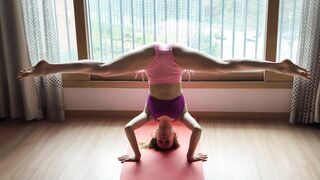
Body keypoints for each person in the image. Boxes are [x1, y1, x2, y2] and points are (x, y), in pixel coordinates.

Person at [17, 42, 311, 163]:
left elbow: (128, 129)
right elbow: (197, 132)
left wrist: (137, 156)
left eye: (162, 140)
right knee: (223, 67)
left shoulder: (149, 114)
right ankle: (278, 66)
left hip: (150, 57)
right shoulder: (183, 116)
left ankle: (48, 67)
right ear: (175, 137)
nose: (166, 136)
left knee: (104, 69)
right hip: (176, 58)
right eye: (171, 141)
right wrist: (189, 156)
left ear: (157, 137)